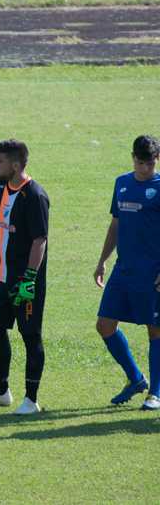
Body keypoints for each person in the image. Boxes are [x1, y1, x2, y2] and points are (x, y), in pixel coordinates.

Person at [0, 139, 49, 415]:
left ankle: (31, 399)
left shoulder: (35, 196)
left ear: (15, 165)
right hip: (1, 279)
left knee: (30, 336)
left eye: (0, 161)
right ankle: (1, 391)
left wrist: (30, 278)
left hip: (25, 282)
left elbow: (40, 240)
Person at [94, 135, 160, 410]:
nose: (145, 168)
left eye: (150, 162)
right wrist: (102, 261)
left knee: (155, 330)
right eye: (140, 161)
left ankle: (155, 394)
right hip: (123, 270)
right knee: (104, 325)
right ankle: (136, 379)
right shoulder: (121, 184)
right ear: (132, 157)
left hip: (152, 272)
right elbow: (115, 225)